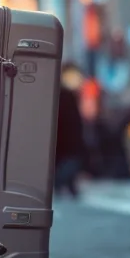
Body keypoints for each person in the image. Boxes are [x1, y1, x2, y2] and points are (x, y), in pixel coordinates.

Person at [54, 64, 87, 199]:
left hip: (66, 141)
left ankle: (68, 184)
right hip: (66, 142)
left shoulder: (65, 95)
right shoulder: (65, 95)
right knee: (69, 163)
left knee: (69, 162)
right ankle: (64, 184)